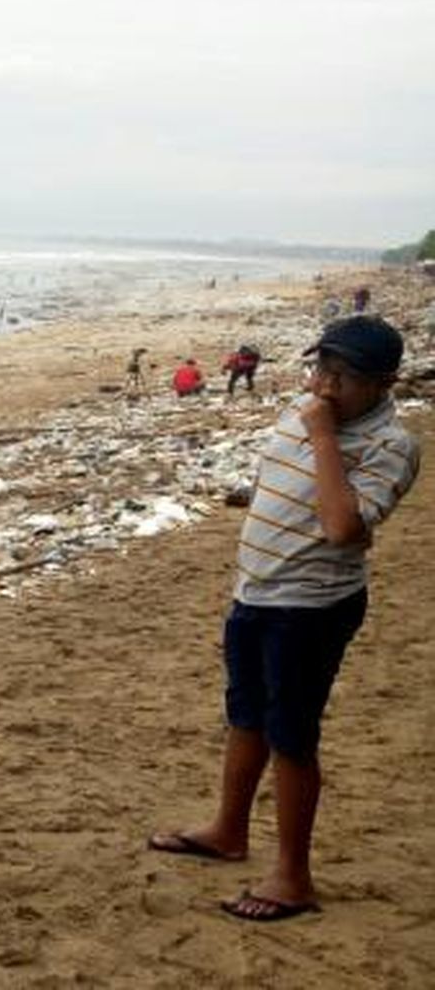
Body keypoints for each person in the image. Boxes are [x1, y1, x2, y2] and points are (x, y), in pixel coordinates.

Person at [148, 316, 420, 922]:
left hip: (312, 607)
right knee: (245, 715)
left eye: (342, 377)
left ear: (383, 382)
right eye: (320, 369)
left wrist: (322, 436)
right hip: (257, 592)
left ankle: (293, 877)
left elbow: (344, 529)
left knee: (292, 735)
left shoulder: (391, 445)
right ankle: (228, 830)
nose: (324, 387)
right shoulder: (308, 404)